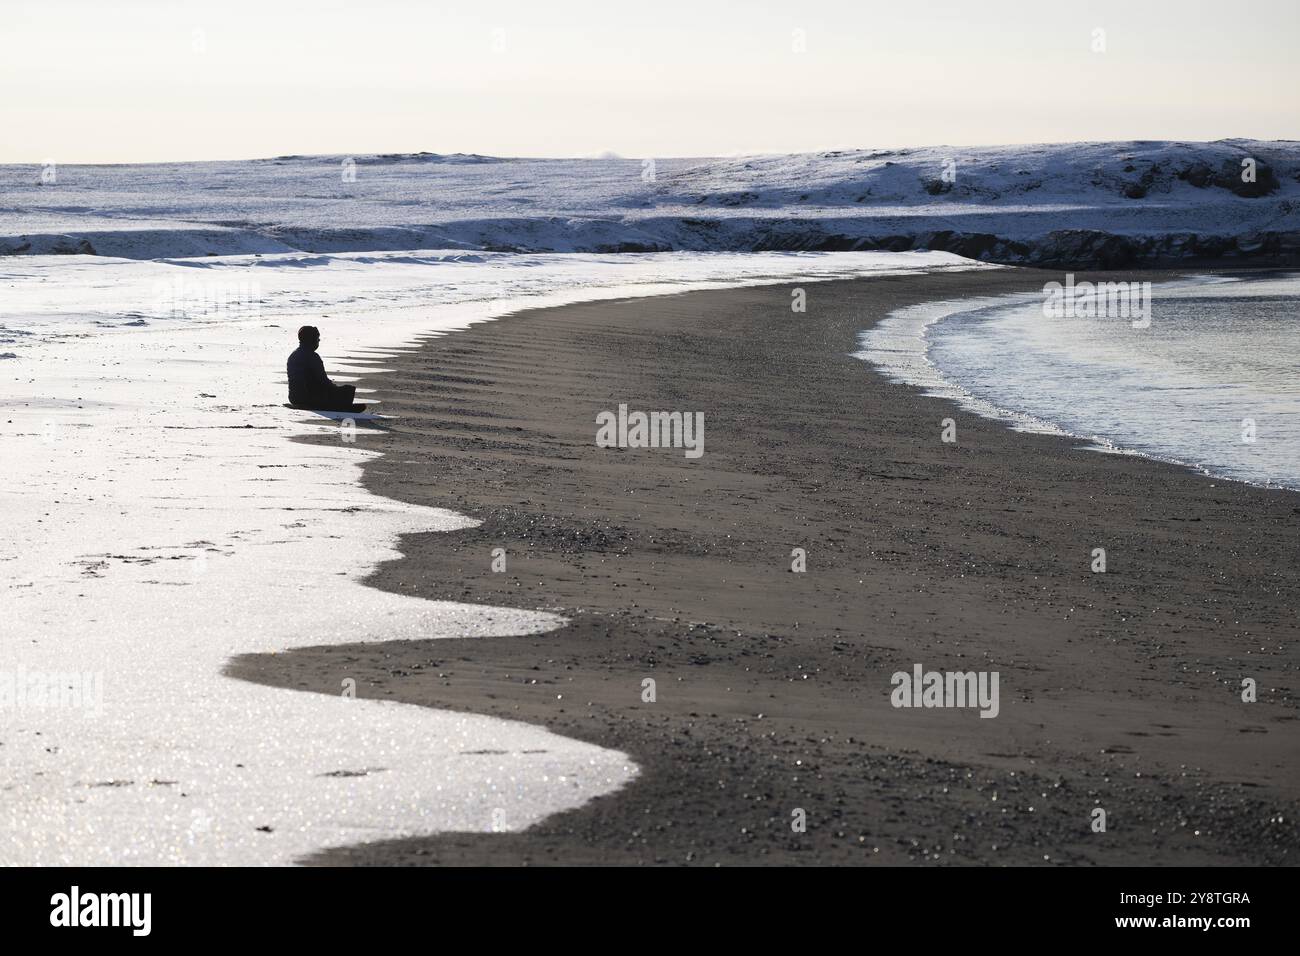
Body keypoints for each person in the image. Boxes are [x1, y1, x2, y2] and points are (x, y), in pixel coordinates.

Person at [286, 326, 366, 412]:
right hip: (309, 398)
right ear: (311, 340)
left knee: (338, 391)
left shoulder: (293, 355)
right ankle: (339, 406)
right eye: (317, 339)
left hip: (294, 398)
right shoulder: (313, 356)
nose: (318, 341)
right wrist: (336, 389)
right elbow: (323, 380)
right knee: (347, 390)